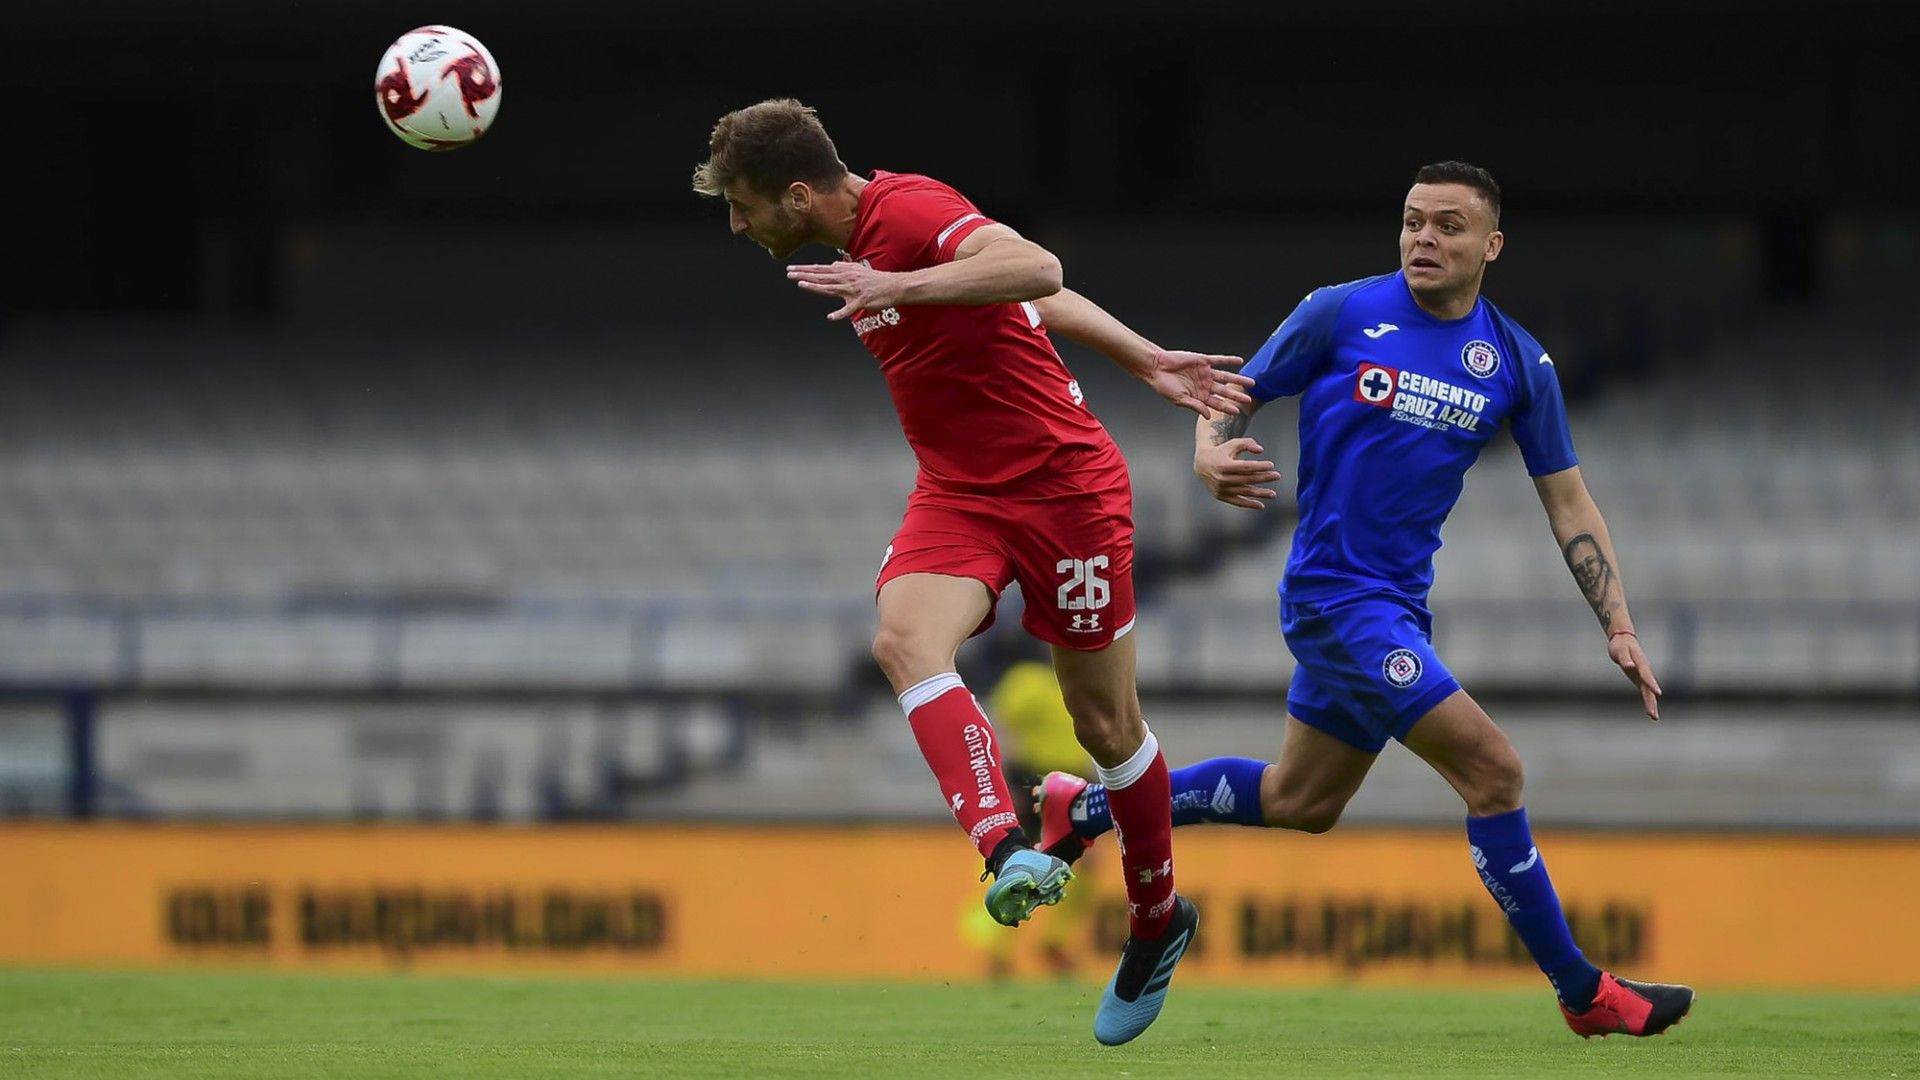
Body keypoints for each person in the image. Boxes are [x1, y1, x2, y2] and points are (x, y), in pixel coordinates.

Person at [1037, 161, 1694, 1038]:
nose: (1426, 238)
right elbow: (1228, 396)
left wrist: (1618, 624)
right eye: (1414, 221)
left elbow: (1568, 499)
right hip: (1336, 600)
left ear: (1492, 245)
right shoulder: (1341, 311)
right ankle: (1583, 991)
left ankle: (1078, 810)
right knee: (1494, 772)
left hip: (1397, 605)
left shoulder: (1516, 361)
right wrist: (1207, 453)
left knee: (1299, 803)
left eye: (1450, 226)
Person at [692, 98, 1252, 1044]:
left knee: (1107, 727)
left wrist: (898, 286)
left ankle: (1158, 921)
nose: (739, 226)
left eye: (744, 206)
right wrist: (1143, 355)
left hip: (1067, 488)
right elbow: (1023, 297)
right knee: (903, 641)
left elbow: (1035, 267)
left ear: (796, 193)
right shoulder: (876, 243)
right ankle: (1004, 851)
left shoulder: (904, 215)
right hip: (959, 491)